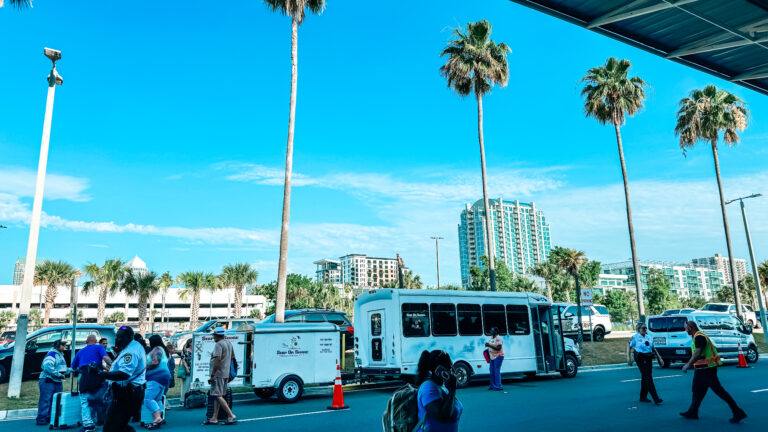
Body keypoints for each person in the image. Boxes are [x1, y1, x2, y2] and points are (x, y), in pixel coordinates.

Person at [680, 320, 747, 423]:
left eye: (685, 328)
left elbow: (697, 353)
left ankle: (737, 412)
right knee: (697, 390)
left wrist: (688, 364)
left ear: (690, 328)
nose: (685, 330)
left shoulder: (699, 337)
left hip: (707, 370)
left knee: (720, 392)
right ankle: (693, 411)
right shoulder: (697, 336)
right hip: (701, 369)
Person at [90, 325, 146, 432]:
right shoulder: (132, 346)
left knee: (111, 427)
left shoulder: (131, 352)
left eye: (120, 337)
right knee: (121, 426)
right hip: (127, 392)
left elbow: (123, 374)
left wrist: (100, 373)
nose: (117, 339)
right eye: (117, 336)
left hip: (127, 394)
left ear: (129, 337)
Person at [415, 350, 463, 432]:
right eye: (449, 367)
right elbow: (443, 417)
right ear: (439, 369)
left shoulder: (442, 387)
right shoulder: (428, 387)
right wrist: (452, 390)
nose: (452, 371)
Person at [72, 335, 111, 431]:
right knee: (100, 399)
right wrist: (114, 365)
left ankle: (88, 424)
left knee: (85, 402)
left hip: (85, 378)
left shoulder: (80, 351)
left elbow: (73, 367)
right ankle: (100, 420)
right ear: (96, 341)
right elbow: (105, 358)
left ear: (86, 341)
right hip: (97, 378)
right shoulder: (99, 347)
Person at [203, 327, 236, 426]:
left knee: (217, 395)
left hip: (218, 374)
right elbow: (232, 357)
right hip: (225, 373)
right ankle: (214, 417)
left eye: (213, 335)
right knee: (218, 395)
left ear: (217, 335)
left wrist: (212, 375)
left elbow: (217, 360)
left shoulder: (219, 344)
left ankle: (230, 415)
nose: (213, 337)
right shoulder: (229, 343)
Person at [36, 340, 70, 425]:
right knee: (45, 400)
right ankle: (41, 418)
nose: (65, 347)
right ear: (58, 346)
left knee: (54, 400)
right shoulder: (52, 354)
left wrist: (72, 370)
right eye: (63, 345)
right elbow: (47, 366)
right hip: (48, 380)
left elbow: (62, 368)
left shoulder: (60, 355)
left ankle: (48, 417)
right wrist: (58, 374)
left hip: (55, 380)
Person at [628, 323, 662, 404]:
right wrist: (628, 358)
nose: (645, 330)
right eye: (643, 328)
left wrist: (660, 358)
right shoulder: (635, 337)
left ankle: (643, 396)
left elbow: (653, 348)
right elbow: (629, 346)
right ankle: (656, 398)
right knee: (648, 377)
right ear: (638, 329)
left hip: (648, 357)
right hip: (640, 356)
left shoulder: (648, 337)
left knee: (645, 376)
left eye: (645, 328)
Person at [143, 335, 171, 430]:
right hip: (164, 377)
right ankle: (160, 418)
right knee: (157, 399)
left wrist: (144, 366)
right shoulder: (163, 349)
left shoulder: (156, 349)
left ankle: (157, 418)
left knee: (148, 399)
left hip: (155, 377)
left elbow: (155, 362)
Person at [485, 327, 504, 391]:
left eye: (492, 330)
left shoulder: (498, 338)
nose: (491, 331)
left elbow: (498, 348)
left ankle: (498, 386)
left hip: (498, 356)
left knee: (496, 371)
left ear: (496, 332)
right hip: (492, 356)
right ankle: (492, 385)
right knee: (492, 371)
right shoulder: (492, 338)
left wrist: (489, 345)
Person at [178, 339, 193, 404]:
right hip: (187, 368)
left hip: (193, 368)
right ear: (189, 343)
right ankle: (183, 399)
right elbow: (183, 360)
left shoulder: (195, 350)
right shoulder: (185, 350)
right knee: (186, 384)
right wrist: (187, 368)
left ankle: (190, 398)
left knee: (191, 384)